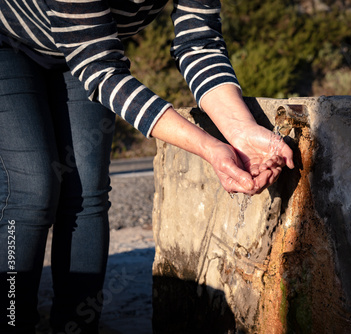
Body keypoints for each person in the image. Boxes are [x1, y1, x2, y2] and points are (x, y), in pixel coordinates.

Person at [0, 0, 294, 332]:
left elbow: (199, 43)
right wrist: (209, 147)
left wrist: (239, 130)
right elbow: (100, 72)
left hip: (88, 48)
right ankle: (11, 320)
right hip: (10, 43)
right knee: (32, 192)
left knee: (87, 194)